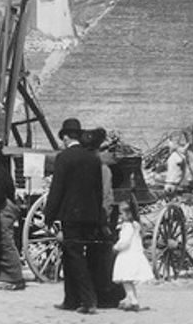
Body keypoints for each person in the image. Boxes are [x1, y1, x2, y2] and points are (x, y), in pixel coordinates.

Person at [44, 118, 105, 315]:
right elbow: (99, 191)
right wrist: (99, 217)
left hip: (71, 215)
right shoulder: (93, 159)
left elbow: (57, 189)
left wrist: (49, 215)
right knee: (73, 256)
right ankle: (71, 299)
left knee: (74, 256)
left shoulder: (64, 158)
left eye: (63, 138)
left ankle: (88, 300)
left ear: (67, 137)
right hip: (90, 215)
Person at [82, 128, 123, 309]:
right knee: (102, 256)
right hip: (101, 217)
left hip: (93, 217)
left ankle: (100, 294)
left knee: (97, 256)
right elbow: (107, 197)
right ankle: (107, 295)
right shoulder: (104, 168)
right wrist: (105, 219)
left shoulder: (95, 166)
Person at [0, 138, 26, 290]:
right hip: (7, 206)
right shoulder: (2, 171)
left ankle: (16, 277)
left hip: (4, 208)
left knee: (6, 241)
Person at [112, 200, 153, 311]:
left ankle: (133, 301)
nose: (119, 216)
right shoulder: (136, 226)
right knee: (129, 281)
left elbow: (125, 242)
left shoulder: (127, 227)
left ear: (128, 214)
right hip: (135, 254)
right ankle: (133, 300)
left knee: (126, 280)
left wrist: (116, 247)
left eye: (121, 214)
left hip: (127, 256)